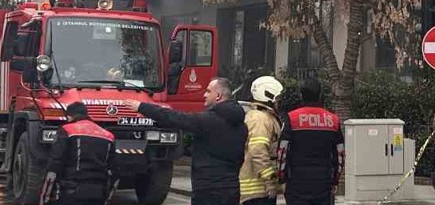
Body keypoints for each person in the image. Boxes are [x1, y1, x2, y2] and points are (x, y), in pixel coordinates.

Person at [136, 77, 247, 205]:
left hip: (207, 190)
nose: (204, 95)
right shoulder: (241, 126)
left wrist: (142, 107)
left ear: (218, 95)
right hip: (232, 188)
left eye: (208, 91)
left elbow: (174, 117)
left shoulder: (208, 121)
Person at [278, 79, 344, 205]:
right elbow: (340, 154)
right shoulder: (333, 120)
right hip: (323, 182)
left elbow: (282, 151)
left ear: (301, 96)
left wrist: (282, 178)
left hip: (296, 181)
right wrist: (335, 180)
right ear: (320, 95)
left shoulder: (292, 118)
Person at [42, 102, 116, 205]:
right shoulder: (108, 135)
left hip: (72, 190)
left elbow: (56, 160)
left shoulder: (67, 130)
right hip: (98, 192)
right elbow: (112, 168)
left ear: (69, 116)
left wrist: (45, 197)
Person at [239, 76, 283, 205]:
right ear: (268, 96)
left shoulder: (259, 116)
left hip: (258, 190)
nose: (278, 102)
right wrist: (269, 181)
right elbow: (258, 151)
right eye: (277, 98)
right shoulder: (260, 119)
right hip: (258, 191)